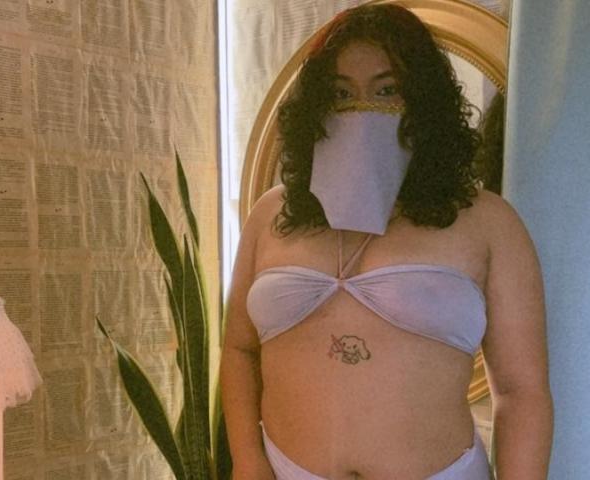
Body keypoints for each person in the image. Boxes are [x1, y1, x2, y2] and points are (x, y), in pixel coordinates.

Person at [220, 4, 553, 480]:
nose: (362, 110)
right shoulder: (270, 214)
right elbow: (239, 349)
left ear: (422, 101)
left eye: (386, 90)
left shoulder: (488, 222)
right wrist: (247, 461)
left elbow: (522, 393)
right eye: (341, 93)